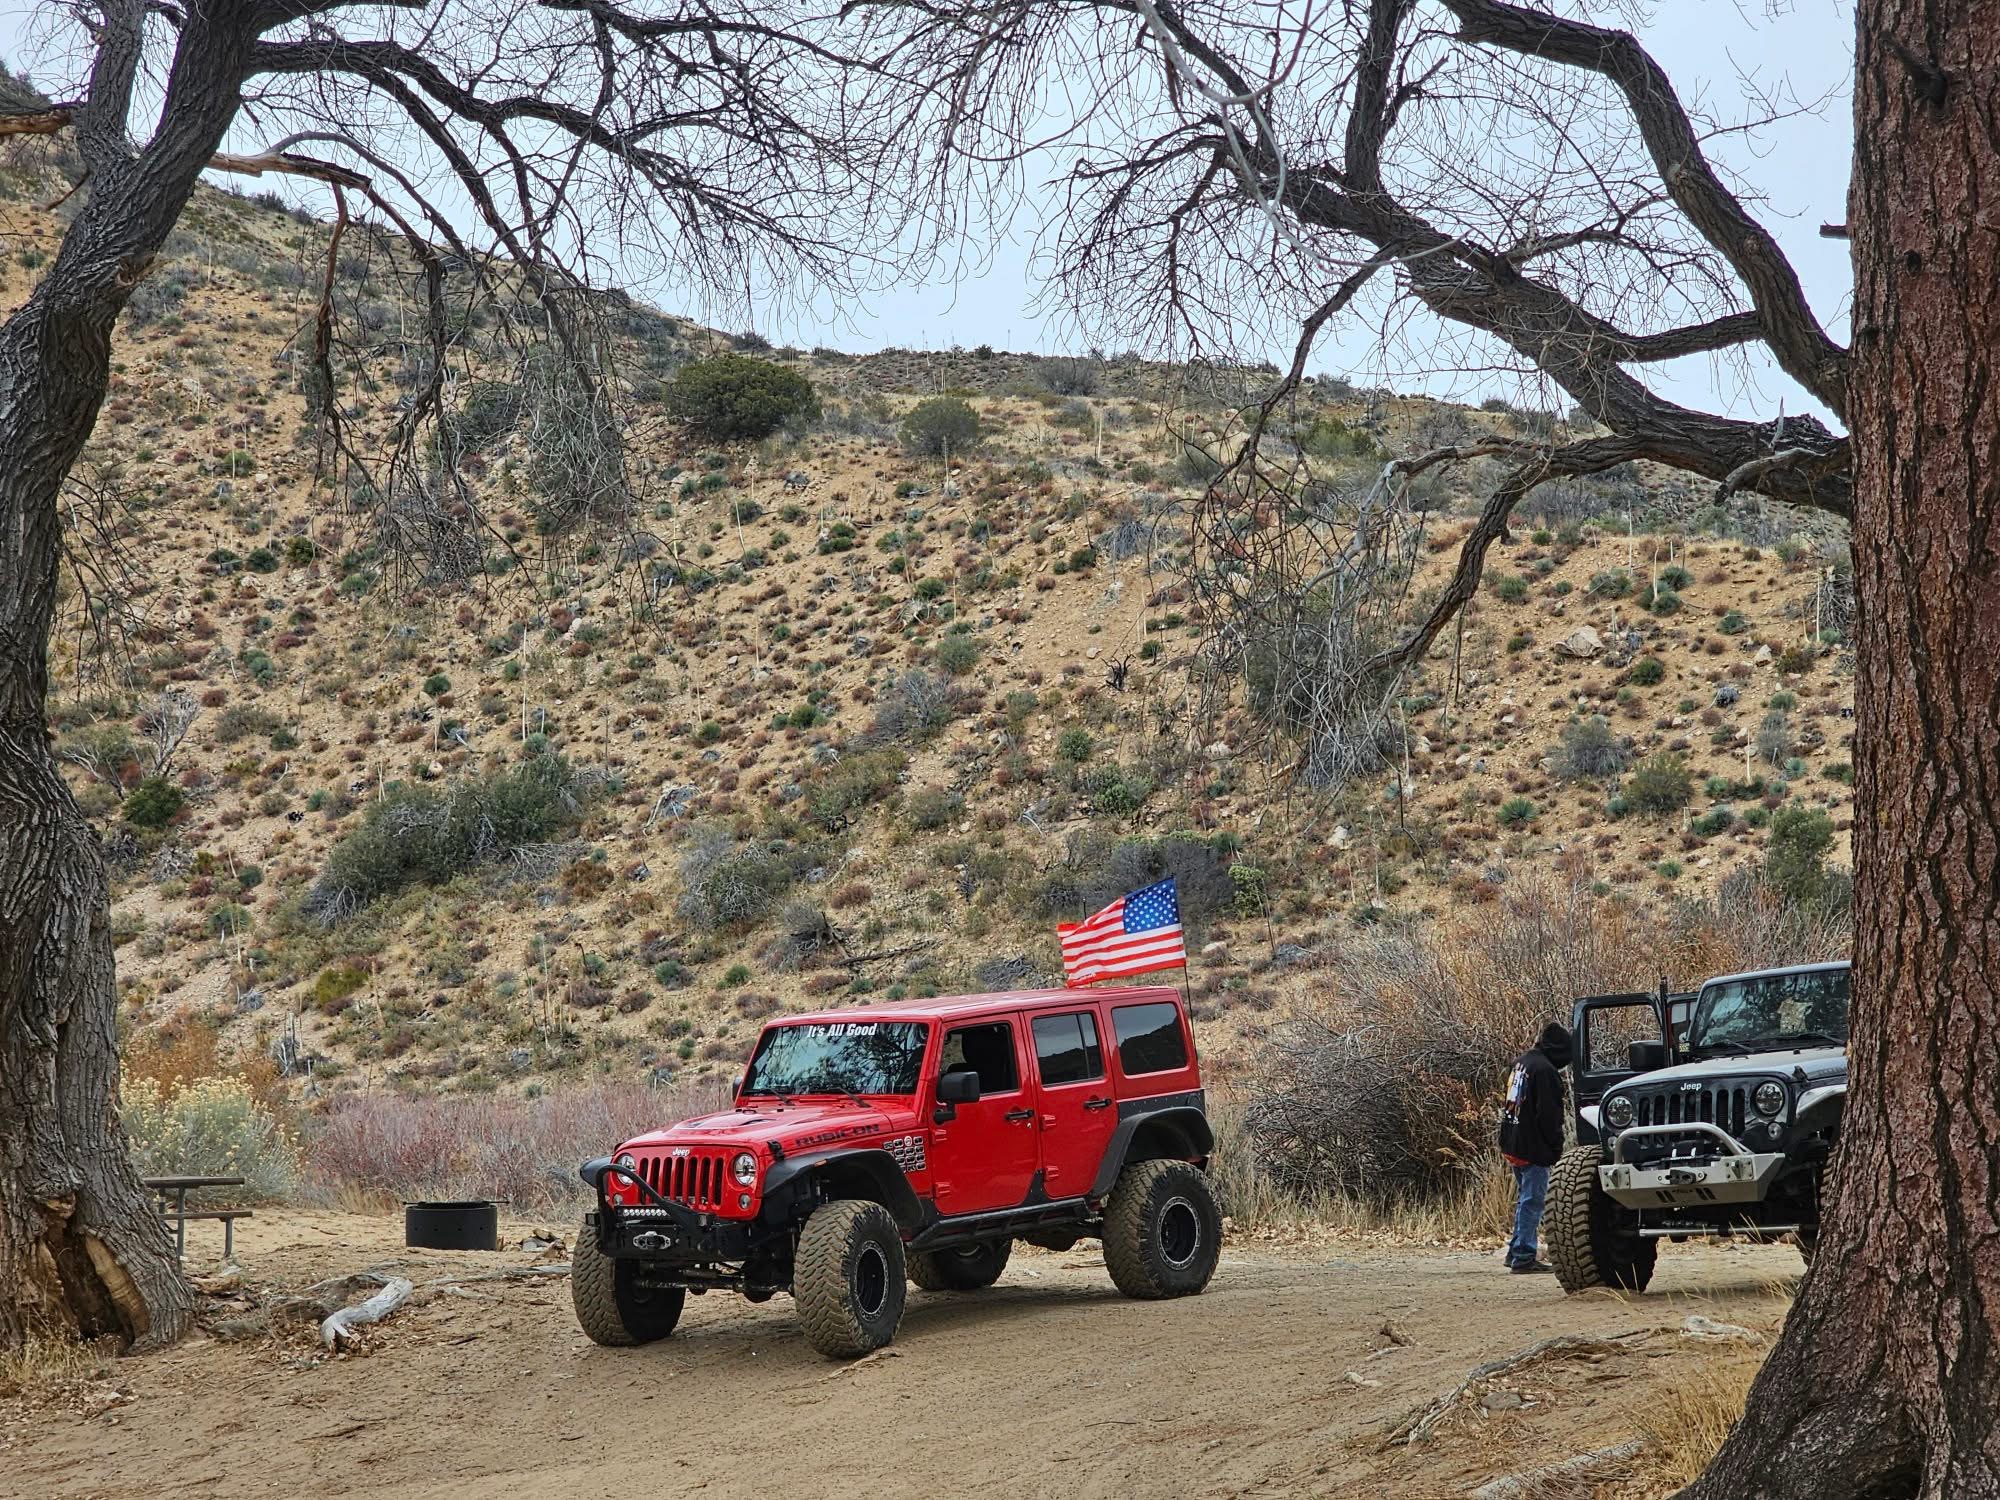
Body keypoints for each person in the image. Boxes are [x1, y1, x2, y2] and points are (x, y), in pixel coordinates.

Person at [1497, 1022, 1572, 1274]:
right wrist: (1555, 1147)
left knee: (1525, 1199)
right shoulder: (1545, 1071)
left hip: (1513, 1140)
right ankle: (1523, 1256)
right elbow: (1549, 1116)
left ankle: (1515, 1250)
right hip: (1532, 1146)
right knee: (1533, 1201)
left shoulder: (1522, 1063)